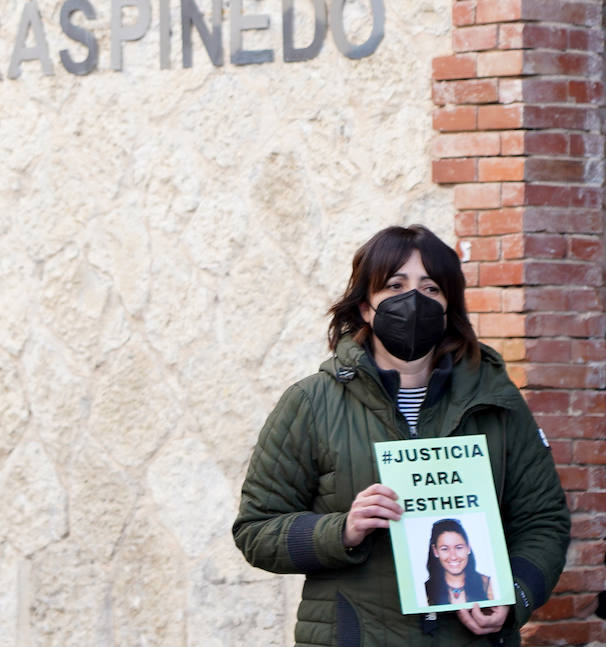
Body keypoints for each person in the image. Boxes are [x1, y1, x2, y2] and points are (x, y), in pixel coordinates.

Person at [233, 224, 570, 645]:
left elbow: (543, 521)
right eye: (395, 285)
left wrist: (515, 593)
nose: (413, 301)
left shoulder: (496, 402)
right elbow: (256, 529)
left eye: (431, 289)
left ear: (449, 305)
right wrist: (342, 530)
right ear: (365, 307)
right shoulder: (310, 403)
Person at [425, 518, 494, 607]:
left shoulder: (488, 584)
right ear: (435, 551)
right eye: (445, 549)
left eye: (459, 547)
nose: (453, 556)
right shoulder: (425, 590)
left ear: (468, 547)